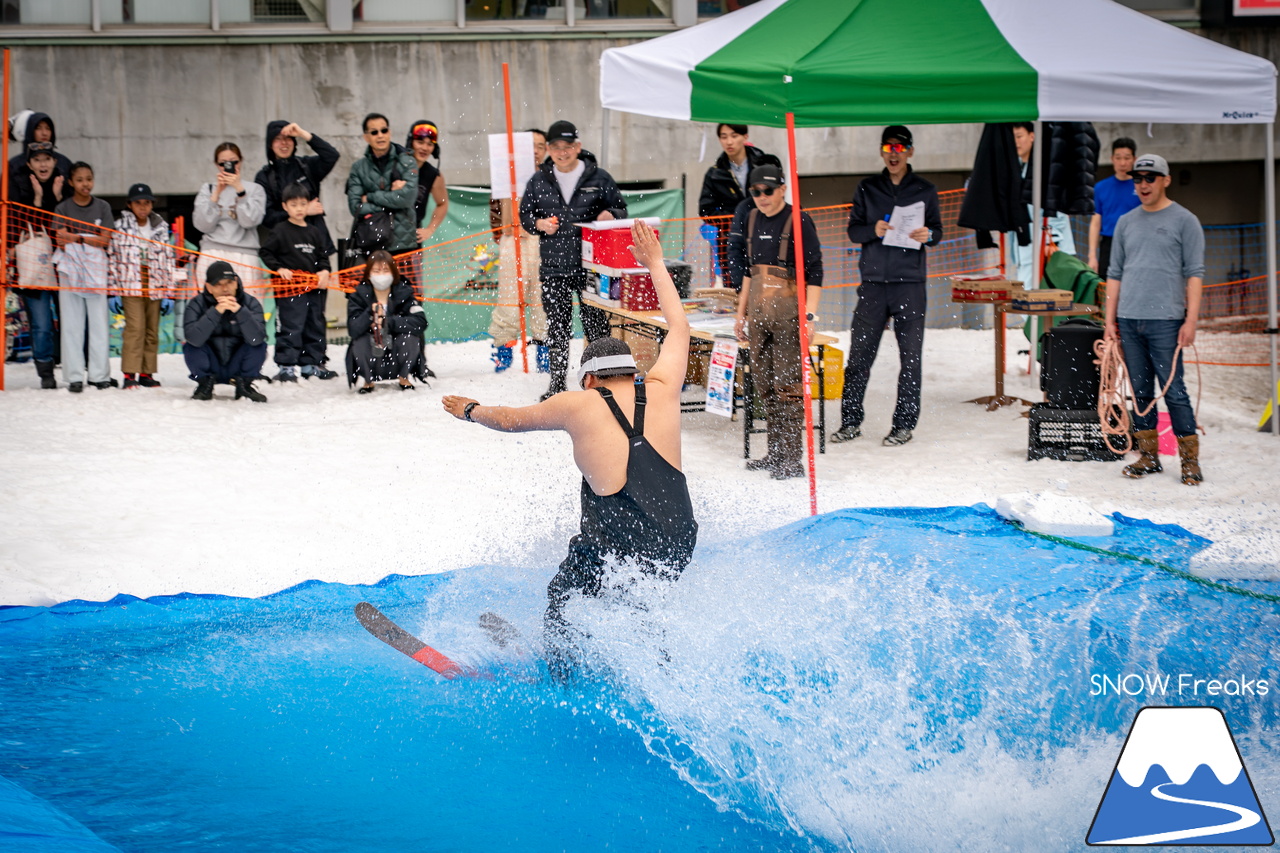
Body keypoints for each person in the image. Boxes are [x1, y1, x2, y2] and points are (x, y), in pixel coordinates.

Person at [443, 221, 696, 680]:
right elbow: (679, 325)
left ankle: (563, 673)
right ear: (630, 370)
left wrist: (471, 409)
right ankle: (663, 674)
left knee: (566, 594)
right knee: (643, 605)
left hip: (621, 536)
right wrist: (655, 263)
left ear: (591, 377)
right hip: (678, 538)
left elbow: (510, 421)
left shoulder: (577, 403)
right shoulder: (663, 387)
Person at [833, 126, 942, 448]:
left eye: (899, 147)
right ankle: (850, 421)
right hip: (874, 284)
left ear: (909, 152)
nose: (893, 153)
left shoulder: (925, 189)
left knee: (911, 359)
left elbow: (937, 230)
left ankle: (903, 425)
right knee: (859, 357)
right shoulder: (867, 188)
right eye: (888, 147)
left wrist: (929, 236)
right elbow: (853, 232)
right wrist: (873, 229)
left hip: (909, 284)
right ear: (882, 152)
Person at [1103, 154, 1204, 485]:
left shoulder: (1185, 221)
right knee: (1140, 391)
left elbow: (1195, 274)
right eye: (1137, 178)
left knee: (1174, 392)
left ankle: (1190, 460)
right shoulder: (1126, 222)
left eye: (1150, 177)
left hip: (1167, 320)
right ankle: (1148, 455)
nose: (1143, 184)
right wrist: (1109, 319)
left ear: (1165, 180)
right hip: (1129, 319)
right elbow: (1114, 273)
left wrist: (1190, 320)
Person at [519, 119, 627, 400]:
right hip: (554, 267)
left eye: (568, 147)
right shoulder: (538, 180)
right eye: (556, 147)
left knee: (596, 325)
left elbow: (621, 208)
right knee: (558, 326)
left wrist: (610, 215)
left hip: (592, 266)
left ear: (578, 147)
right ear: (549, 150)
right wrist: (540, 224)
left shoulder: (599, 177)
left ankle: (605, 381)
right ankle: (557, 383)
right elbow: (525, 216)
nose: (563, 152)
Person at [728, 164, 824, 479]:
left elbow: (816, 272)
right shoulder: (751, 218)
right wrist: (740, 313)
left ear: (782, 189)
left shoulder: (799, 221)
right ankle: (775, 452)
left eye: (768, 191)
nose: (762, 197)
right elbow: (746, 273)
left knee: (789, 388)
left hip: (789, 317)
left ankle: (792, 459)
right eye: (756, 192)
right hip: (758, 315)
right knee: (765, 386)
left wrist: (809, 316)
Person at [259, 183, 336, 381]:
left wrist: (325, 271)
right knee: (291, 326)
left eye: (303, 204)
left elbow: (323, 256)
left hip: (314, 289)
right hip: (290, 291)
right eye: (294, 205)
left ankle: (311, 364)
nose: (299, 209)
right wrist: (279, 269)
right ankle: (286, 366)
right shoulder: (280, 230)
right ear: (285, 207)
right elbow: (266, 252)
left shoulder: (314, 232)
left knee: (315, 325)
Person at [190, 142, 267, 341]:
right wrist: (216, 194)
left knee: (246, 308)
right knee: (211, 308)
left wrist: (239, 191)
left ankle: (247, 360)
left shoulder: (255, 189)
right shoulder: (207, 189)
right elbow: (201, 225)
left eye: (233, 162)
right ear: (216, 165)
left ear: (240, 162)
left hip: (244, 253)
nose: (228, 166)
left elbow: (250, 220)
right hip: (212, 251)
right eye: (223, 163)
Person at [489, 128, 549, 372]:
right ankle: (504, 354)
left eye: (541, 146)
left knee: (542, 300)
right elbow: (494, 208)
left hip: (543, 243)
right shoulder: (506, 173)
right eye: (530, 145)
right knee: (509, 300)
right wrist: (501, 231)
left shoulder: (550, 175)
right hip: (513, 241)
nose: (535, 151)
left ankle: (544, 354)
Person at [53, 162, 115, 393]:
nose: (85, 184)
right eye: (79, 179)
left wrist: (77, 237)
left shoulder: (103, 207)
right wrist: (88, 237)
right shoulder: (62, 208)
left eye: (89, 178)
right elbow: (59, 239)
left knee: (99, 323)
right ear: (71, 182)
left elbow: (105, 240)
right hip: (70, 268)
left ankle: (99, 375)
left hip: (96, 269)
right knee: (71, 323)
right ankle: (75, 376)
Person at [108, 183, 177, 389]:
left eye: (146, 202)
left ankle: (147, 373)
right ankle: (129, 374)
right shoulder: (120, 227)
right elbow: (113, 258)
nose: (142, 207)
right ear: (130, 204)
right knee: (134, 328)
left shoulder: (160, 226)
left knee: (151, 329)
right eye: (138, 203)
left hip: (155, 282)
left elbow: (168, 259)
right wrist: (113, 291)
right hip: (130, 282)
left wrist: (169, 293)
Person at [699, 123, 781, 289]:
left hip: (766, 234)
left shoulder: (765, 164)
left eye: (734, 135)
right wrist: (735, 221)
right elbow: (705, 210)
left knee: (770, 285)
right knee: (736, 287)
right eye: (724, 137)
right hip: (730, 240)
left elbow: (778, 197)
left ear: (745, 137)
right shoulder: (715, 173)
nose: (729, 141)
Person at [11, 142, 65, 389]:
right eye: (37, 160)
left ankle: (71, 366)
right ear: (29, 164)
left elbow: (63, 227)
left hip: (63, 268)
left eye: (47, 159)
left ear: (54, 162)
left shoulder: (64, 185)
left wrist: (55, 197)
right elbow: (26, 227)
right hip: (34, 268)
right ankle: (46, 372)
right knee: (42, 324)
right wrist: (38, 198)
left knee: (68, 321)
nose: (43, 164)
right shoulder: (19, 188)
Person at [183, 260, 269, 403]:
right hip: (211, 363)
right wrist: (215, 312)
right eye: (218, 284)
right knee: (191, 345)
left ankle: (245, 386)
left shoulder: (250, 303)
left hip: (237, 364)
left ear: (236, 282)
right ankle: (204, 385)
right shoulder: (196, 304)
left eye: (229, 283)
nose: (225, 289)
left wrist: (240, 312)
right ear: (209, 288)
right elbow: (193, 338)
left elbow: (257, 338)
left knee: (258, 346)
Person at [346, 250, 429, 393]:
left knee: (410, 338)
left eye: (385, 270)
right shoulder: (358, 296)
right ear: (369, 273)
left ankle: (404, 376)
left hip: (396, 349)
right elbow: (353, 328)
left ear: (393, 272)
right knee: (359, 341)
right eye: (376, 271)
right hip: (372, 349)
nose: (381, 275)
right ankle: (368, 380)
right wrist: (370, 316)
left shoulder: (405, 293)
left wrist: (390, 322)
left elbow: (420, 322)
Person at [254, 120, 339, 256]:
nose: (284, 143)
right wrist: (304, 210)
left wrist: (303, 134)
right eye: (278, 139)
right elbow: (267, 218)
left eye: (288, 138)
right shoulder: (264, 176)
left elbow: (332, 155)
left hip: (316, 244)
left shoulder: (307, 166)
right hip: (286, 248)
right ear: (270, 145)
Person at [1006, 122, 1076, 287]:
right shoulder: (1015, 169)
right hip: (1026, 250)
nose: (1016, 142)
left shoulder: (1045, 167)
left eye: (1019, 136)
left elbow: (1056, 207)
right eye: (1013, 138)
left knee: (1048, 304)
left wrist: (1053, 241)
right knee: (1026, 304)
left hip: (1049, 249)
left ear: (1032, 136)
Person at [346, 113, 420, 261]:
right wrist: (392, 201)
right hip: (372, 242)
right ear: (366, 137)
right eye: (374, 132)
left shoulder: (407, 162)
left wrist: (372, 197)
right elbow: (356, 207)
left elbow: (408, 198)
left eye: (384, 130)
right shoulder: (358, 168)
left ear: (390, 132)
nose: (380, 135)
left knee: (405, 284)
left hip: (403, 244)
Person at [1088, 137, 1140, 277]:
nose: (1122, 163)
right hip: (1109, 244)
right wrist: (1092, 255)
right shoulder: (1101, 188)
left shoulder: (1142, 187)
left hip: (1136, 242)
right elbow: (1095, 223)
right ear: (1112, 159)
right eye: (1118, 158)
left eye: (1127, 158)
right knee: (1107, 286)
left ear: (1134, 159)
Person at [7, 111, 73, 195]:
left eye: (48, 128)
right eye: (38, 128)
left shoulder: (64, 163)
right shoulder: (14, 166)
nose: (44, 133)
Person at [406, 120, 449, 244]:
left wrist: (430, 229)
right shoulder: (396, 165)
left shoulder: (433, 175)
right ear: (411, 143)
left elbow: (442, 204)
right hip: (387, 233)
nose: (424, 148)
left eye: (430, 144)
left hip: (412, 237)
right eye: (420, 142)